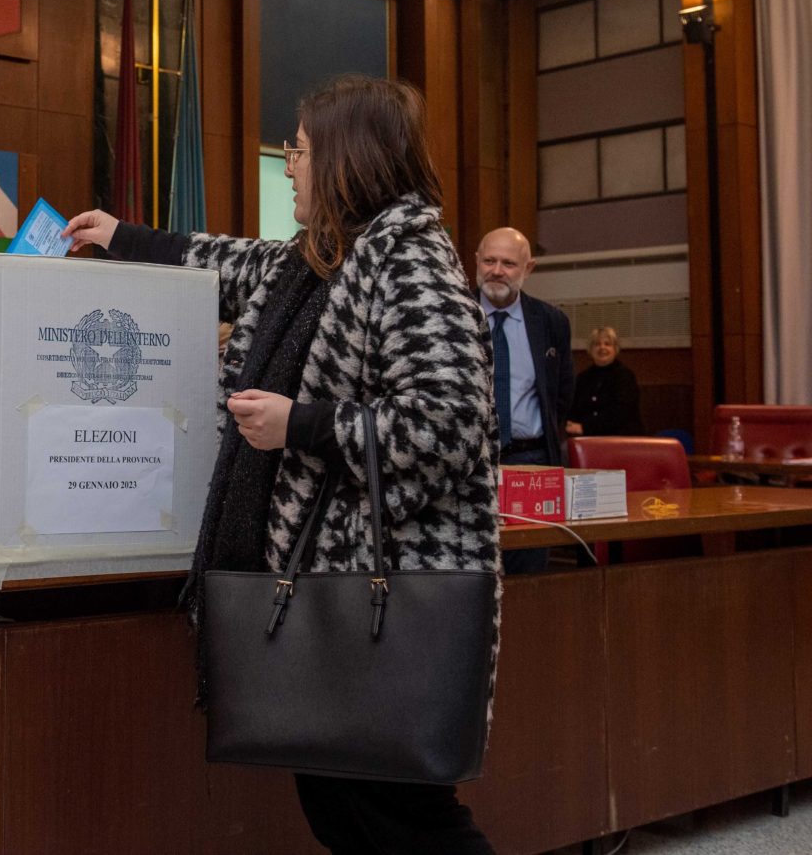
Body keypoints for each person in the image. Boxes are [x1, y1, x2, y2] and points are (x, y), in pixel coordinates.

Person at [63, 75, 500, 855]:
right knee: (346, 810)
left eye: (298, 151)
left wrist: (299, 424)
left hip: (384, 593)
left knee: (401, 819)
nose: (290, 167)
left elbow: (448, 422)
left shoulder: (410, 260)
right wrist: (122, 235)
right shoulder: (320, 258)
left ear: (344, 157)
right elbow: (227, 262)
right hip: (335, 594)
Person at [475, 226, 573, 574]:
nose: (496, 271)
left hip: (531, 463)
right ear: (476, 261)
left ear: (528, 269)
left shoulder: (551, 322)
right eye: (489, 261)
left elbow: (561, 395)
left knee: (529, 571)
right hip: (471, 463)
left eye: (508, 263)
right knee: (474, 571)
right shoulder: (452, 316)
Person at [566, 326, 644, 437]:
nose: (602, 348)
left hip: (621, 438)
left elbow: (620, 413)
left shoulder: (625, 377)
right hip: (588, 438)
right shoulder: (582, 378)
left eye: (607, 344)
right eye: (597, 344)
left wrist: (585, 428)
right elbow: (572, 409)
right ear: (590, 350)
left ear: (615, 349)